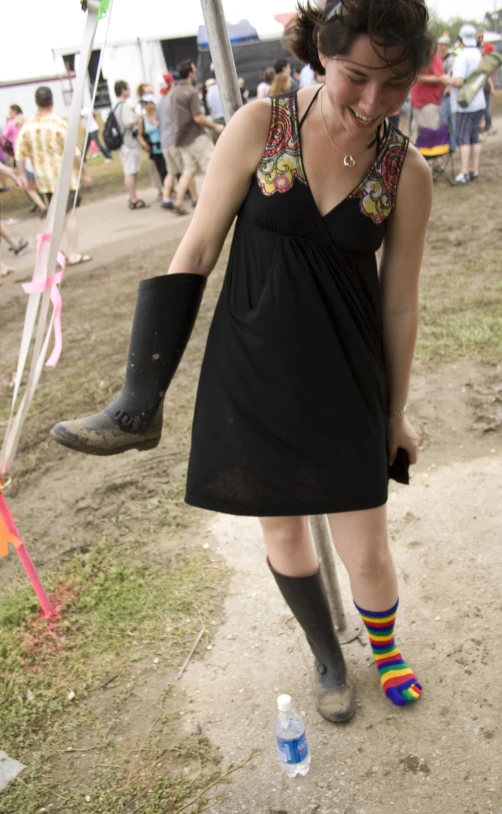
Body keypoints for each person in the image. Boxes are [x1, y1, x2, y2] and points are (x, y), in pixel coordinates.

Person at [51, 0, 434, 723]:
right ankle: (327, 655)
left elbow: (399, 305)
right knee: (283, 529)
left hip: (348, 384)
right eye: (356, 76)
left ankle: (384, 649)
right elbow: (195, 250)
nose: (372, 102)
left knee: (368, 550)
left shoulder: (406, 170)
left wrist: (395, 413)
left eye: (395, 86)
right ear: (323, 50)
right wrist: (142, 390)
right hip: (251, 372)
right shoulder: (262, 127)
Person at [15, 86, 92, 266]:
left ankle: (55, 251)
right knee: (69, 215)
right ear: (52, 101)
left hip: (44, 180)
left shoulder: (28, 127)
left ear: (36, 102)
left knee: (57, 216)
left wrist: (21, 175)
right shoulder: (59, 124)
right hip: (64, 177)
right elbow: (74, 151)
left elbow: (20, 153)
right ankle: (71, 253)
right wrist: (84, 173)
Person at [165, 60, 223, 216]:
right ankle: (211, 204)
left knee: (188, 170)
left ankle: (178, 202)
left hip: (182, 137)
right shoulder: (191, 91)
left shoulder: (175, 92)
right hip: (195, 135)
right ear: (190, 73)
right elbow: (197, 117)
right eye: (194, 69)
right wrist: (215, 126)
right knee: (211, 167)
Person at [449, 24, 486, 184]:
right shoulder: (478, 53)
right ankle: (474, 170)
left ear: (460, 39)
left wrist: (445, 80)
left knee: (463, 137)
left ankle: (463, 172)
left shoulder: (462, 56)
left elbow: (458, 80)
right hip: (479, 101)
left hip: (465, 104)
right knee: (474, 137)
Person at [2, 106, 47, 215]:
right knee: (42, 187)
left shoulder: (19, 137)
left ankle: (40, 205)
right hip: (39, 162)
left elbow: (5, 140)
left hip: (27, 164)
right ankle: (47, 204)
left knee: (29, 188)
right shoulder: (33, 133)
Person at [114, 80, 147, 209]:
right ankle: (134, 198)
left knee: (128, 170)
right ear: (123, 90)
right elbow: (127, 123)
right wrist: (137, 119)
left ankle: (132, 196)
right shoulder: (124, 106)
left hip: (123, 144)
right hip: (128, 143)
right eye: (127, 88)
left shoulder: (116, 106)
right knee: (130, 171)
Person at [410, 43, 449, 143]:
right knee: (419, 136)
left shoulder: (433, 56)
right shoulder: (417, 55)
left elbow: (441, 77)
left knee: (430, 134)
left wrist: (419, 77)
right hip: (416, 101)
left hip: (429, 102)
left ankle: (433, 158)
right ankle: (426, 158)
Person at [137, 94, 167, 189]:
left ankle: (169, 190)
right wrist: (144, 144)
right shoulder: (143, 119)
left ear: (152, 104)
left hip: (164, 146)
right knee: (157, 171)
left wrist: (159, 124)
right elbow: (139, 135)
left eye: (146, 103)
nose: (144, 106)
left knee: (166, 169)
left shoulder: (159, 115)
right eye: (143, 104)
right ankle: (163, 190)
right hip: (153, 148)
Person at [438, 34, 457, 152]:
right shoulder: (438, 59)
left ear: (448, 46)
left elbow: (452, 75)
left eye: (444, 45)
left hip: (449, 93)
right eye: (440, 44)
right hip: (440, 94)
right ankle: (450, 145)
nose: (441, 47)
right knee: (446, 120)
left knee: (447, 120)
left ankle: (451, 145)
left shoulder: (451, 59)